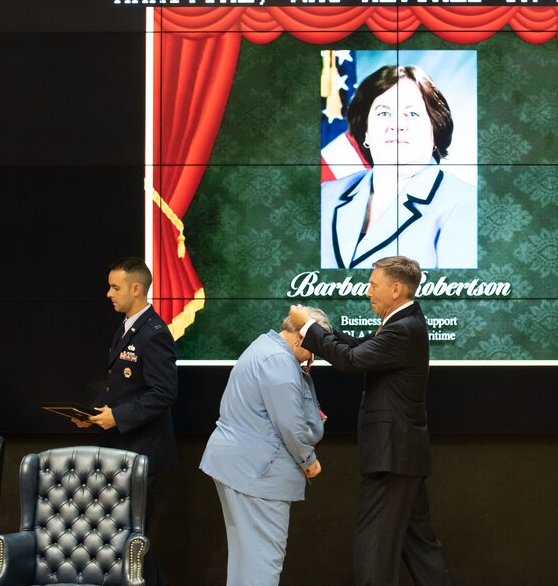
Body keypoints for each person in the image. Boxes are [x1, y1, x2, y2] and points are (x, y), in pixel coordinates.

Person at [289, 255, 452, 586]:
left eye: (373, 285)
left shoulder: (403, 329)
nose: (367, 291)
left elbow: (350, 360)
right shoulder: (403, 323)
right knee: (420, 550)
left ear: (395, 289)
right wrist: (323, 332)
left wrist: (306, 327)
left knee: (373, 550)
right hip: (403, 457)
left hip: (393, 459)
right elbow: (360, 347)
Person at [199, 307, 331, 585]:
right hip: (257, 474)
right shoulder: (279, 361)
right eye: (314, 348)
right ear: (301, 336)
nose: (313, 357)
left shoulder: (264, 346)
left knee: (245, 560)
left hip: (239, 467)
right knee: (263, 562)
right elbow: (291, 425)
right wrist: (308, 460)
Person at [72, 256, 177, 586]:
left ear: (136, 288)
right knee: (121, 534)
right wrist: (93, 414)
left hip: (143, 451)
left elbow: (164, 393)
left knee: (134, 535)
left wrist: (116, 416)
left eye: (115, 287)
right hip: (123, 448)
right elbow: (120, 387)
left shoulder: (154, 333)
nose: (108, 293)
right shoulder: (127, 328)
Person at [321, 65, 477, 270]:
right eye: (384, 113)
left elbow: (459, 300)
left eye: (412, 114)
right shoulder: (326, 195)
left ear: (435, 129)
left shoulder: (465, 203)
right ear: (366, 131)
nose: (396, 125)